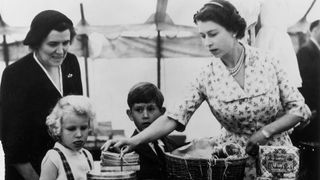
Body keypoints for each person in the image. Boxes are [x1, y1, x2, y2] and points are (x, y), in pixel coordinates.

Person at [102, 0, 311, 179]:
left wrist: (265, 132)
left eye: (212, 34)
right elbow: (174, 117)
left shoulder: (268, 61)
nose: (207, 43)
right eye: (202, 36)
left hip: (276, 157)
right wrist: (133, 140)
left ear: (233, 30)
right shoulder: (206, 75)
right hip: (232, 161)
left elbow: (298, 109)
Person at [0, 10, 83, 180]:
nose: (61, 51)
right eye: (53, 44)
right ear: (36, 42)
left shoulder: (71, 63)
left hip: (65, 167)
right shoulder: (16, 74)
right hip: (29, 170)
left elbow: (79, 113)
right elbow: (11, 139)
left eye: (66, 43)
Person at [126, 82, 180, 180]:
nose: (145, 115)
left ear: (162, 112)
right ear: (130, 114)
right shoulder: (127, 152)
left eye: (151, 109)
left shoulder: (174, 147)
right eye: (139, 110)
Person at [40, 95, 94, 180]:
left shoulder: (87, 155)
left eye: (83, 128)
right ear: (58, 129)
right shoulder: (53, 158)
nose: (79, 134)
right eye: (71, 129)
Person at [254, 0, 302, 88]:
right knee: (264, 71)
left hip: (281, 37)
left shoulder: (287, 3)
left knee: (284, 72)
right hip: (267, 37)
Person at [292, 19, 320, 143]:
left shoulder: (315, 50)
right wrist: (311, 107)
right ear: (315, 30)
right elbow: (304, 83)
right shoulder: (306, 50)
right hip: (311, 108)